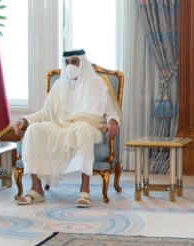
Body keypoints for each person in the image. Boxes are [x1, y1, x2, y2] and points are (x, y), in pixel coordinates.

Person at [14, 49, 122, 208]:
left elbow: (110, 112)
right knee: (34, 130)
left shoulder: (98, 83)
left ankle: (84, 190)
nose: (70, 65)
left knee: (83, 130)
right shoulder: (59, 85)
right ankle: (36, 189)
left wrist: (112, 121)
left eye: (74, 62)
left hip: (90, 127)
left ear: (82, 62)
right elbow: (45, 113)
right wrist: (25, 120)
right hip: (62, 127)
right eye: (67, 62)